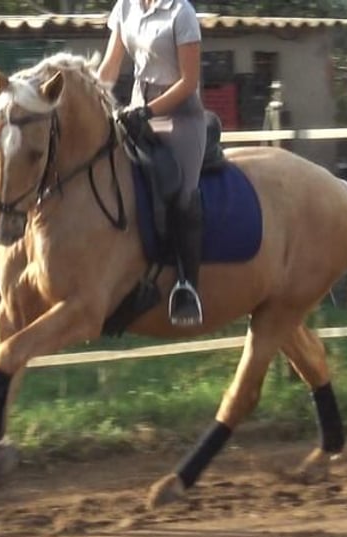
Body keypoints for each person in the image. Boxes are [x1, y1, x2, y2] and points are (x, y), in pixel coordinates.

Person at [98, 0, 207, 327]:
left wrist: (148, 111)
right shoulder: (125, 7)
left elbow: (188, 81)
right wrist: (93, 97)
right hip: (136, 110)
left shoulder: (181, 12)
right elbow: (110, 67)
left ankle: (188, 286)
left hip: (180, 116)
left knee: (182, 193)